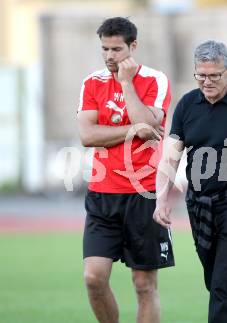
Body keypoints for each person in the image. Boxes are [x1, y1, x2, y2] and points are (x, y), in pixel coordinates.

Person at [153, 40, 227, 323]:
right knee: (218, 284)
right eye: (201, 75)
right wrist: (160, 199)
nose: (207, 82)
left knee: (223, 285)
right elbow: (170, 158)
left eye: (214, 76)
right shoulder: (186, 105)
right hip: (200, 205)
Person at [77, 17, 174, 323]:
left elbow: (150, 127)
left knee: (144, 285)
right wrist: (135, 129)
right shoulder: (92, 82)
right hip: (103, 194)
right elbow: (88, 136)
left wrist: (126, 83)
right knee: (94, 277)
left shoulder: (155, 80)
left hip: (143, 193)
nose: (109, 56)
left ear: (133, 47)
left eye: (116, 49)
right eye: (104, 49)